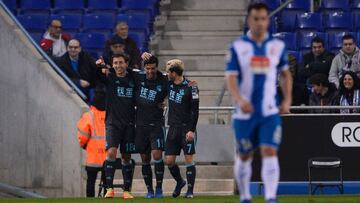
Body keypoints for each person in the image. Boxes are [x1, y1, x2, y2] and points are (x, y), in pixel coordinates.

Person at [225, 3, 292, 203]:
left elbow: (286, 75)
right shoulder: (237, 47)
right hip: (245, 113)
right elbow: (231, 78)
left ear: (268, 20)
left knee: (269, 150)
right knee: (245, 155)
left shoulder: (277, 46)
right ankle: (245, 197)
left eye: (264, 18)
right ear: (249, 20)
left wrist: (287, 100)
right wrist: (239, 99)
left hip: (269, 112)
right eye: (256, 18)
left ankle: (271, 198)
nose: (260, 22)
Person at [95, 54, 136, 199]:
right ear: (112, 65)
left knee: (126, 156)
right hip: (113, 123)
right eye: (115, 63)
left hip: (130, 124)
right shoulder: (110, 79)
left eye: (121, 63)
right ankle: (109, 188)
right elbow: (97, 77)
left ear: (126, 64)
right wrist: (99, 65)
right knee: (111, 152)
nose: (118, 65)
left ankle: (126, 190)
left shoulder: (133, 79)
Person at [133, 55, 168, 198]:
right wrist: (142, 52)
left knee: (157, 154)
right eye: (147, 69)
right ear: (144, 68)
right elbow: (120, 70)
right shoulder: (137, 77)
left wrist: (166, 99)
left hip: (156, 124)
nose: (150, 72)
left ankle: (159, 188)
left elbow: (179, 80)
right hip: (140, 125)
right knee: (145, 158)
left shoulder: (164, 79)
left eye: (153, 68)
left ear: (157, 67)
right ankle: (149, 190)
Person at [164, 59, 199, 199]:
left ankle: (190, 191)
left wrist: (191, 130)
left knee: (189, 159)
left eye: (168, 72)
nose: (166, 74)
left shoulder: (192, 87)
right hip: (173, 127)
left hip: (186, 128)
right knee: (169, 161)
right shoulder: (168, 84)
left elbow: (195, 111)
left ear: (174, 73)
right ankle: (180, 182)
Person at [77, 84, 107, 197]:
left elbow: (82, 136)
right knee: (107, 183)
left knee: (91, 182)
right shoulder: (110, 114)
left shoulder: (88, 116)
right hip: (107, 156)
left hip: (93, 156)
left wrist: (84, 145)